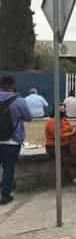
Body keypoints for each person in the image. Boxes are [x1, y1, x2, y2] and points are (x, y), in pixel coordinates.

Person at [45, 103, 76, 193]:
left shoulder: (63, 119)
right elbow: (58, 136)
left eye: (63, 110)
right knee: (67, 161)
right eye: (60, 110)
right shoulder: (51, 121)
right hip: (54, 146)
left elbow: (68, 128)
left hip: (66, 144)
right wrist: (72, 132)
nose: (63, 111)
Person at [0, 76, 33, 205]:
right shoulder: (19, 100)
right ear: (13, 85)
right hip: (12, 140)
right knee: (8, 167)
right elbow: (28, 117)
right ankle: (5, 195)